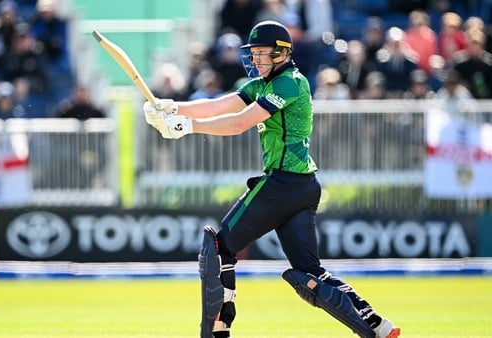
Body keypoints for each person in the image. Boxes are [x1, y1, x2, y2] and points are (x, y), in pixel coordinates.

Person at [142, 20, 401, 338]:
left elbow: (239, 123)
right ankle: (375, 325)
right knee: (309, 274)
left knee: (219, 248)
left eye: (263, 54)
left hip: (282, 183)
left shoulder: (289, 82)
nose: (255, 60)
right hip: (302, 186)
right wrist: (171, 107)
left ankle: (217, 331)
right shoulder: (262, 84)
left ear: (282, 53)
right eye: (253, 54)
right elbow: (219, 104)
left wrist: (186, 127)